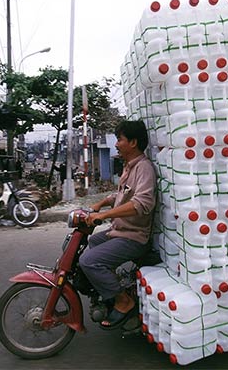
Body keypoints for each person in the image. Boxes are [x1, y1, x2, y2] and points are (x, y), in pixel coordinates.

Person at [79, 120, 156, 329]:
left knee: (89, 261)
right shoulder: (129, 167)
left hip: (134, 236)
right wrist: (101, 203)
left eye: (120, 139)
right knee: (91, 242)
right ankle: (110, 288)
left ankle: (124, 301)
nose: (116, 144)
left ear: (133, 142)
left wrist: (104, 215)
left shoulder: (144, 168)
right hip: (119, 231)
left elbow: (142, 203)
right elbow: (122, 195)